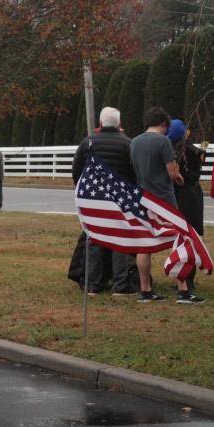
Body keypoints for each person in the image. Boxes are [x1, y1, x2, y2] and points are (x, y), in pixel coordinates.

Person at [130, 106, 201, 304]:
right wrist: (178, 177)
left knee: (144, 245)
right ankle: (183, 290)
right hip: (164, 199)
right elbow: (172, 172)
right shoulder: (163, 141)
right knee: (176, 242)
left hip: (143, 198)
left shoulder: (134, 142)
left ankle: (145, 290)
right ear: (163, 124)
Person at [72, 106, 137, 296]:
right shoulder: (128, 144)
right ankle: (120, 284)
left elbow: (77, 169)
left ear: (100, 123)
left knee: (95, 240)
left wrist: (83, 189)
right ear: (119, 123)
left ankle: (92, 284)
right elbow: (134, 172)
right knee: (119, 241)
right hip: (119, 199)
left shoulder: (88, 142)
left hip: (94, 198)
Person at [168, 119, 206, 293]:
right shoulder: (194, 151)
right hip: (193, 196)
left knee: (181, 239)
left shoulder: (172, 153)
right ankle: (187, 278)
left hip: (179, 197)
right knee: (190, 238)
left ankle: (183, 277)